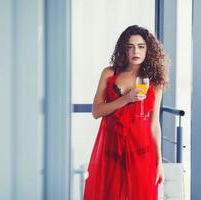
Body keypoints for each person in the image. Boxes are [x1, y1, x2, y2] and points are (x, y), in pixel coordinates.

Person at [83, 25, 169, 200]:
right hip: (111, 147)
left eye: (141, 46)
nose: (135, 51)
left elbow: (154, 124)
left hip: (142, 150)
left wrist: (159, 162)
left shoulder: (155, 81)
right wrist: (125, 99)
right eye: (130, 46)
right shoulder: (109, 73)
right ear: (124, 49)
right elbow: (96, 111)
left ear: (148, 49)